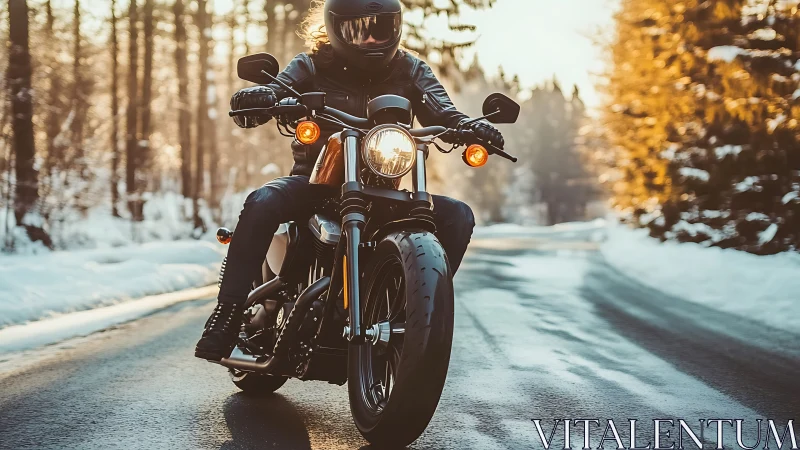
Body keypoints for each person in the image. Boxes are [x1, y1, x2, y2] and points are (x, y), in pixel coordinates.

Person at [195, 0, 505, 361]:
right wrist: (265, 96)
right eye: (359, 29)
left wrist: (471, 127)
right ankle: (228, 314)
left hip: (383, 191)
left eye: (382, 28)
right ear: (336, 28)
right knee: (263, 200)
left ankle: (415, 316)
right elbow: (282, 88)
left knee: (458, 215)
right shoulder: (312, 64)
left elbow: (444, 112)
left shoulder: (411, 70)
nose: (372, 38)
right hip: (315, 184)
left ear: (396, 27)